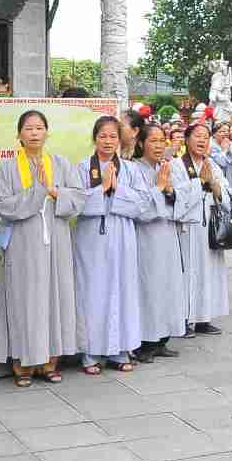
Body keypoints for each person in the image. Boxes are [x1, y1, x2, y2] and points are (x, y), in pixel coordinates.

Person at [0, 110, 86, 386]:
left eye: (39, 128)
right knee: (24, 299)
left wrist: (55, 191)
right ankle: (22, 362)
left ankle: (49, 361)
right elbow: (4, 205)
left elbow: (78, 197)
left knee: (54, 297)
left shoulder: (59, 163)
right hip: (23, 243)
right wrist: (37, 191)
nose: (34, 133)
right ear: (19, 135)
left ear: (47, 132)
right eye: (28, 128)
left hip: (55, 241)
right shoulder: (9, 167)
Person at [72, 116, 150, 374]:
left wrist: (116, 191)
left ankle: (119, 349)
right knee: (91, 292)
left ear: (120, 140)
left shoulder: (130, 169)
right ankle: (90, 352)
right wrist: (100, 190)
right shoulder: (82, 167)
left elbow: (142, 204)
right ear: (94, 138)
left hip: (122, 237)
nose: (107, 141)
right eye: (102, 136)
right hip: (90, 240)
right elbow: (75, 204)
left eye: (113, 136)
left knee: (121, 290)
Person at [131, 123, 186, 361]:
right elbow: (139, 207)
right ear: (141, 143)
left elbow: (178, 200)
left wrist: (171, 192)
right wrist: (159, 188)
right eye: (153, 140)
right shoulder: (134, 169)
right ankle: (145, 341)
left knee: (167, 284)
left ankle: (162, 337)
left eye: (162, 140)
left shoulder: (166, 167)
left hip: (167, 234)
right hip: (147, 237)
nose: (158, 145)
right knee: (149, 286)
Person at [176, 122, 229, 335]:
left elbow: (226, 194)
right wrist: (200, 183)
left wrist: (214, 186)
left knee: (209, 272)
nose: (201, 141)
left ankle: (204, 317)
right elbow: (178, 197)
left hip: (210, 226)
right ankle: (184, 318)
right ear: (187, 140)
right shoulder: (176, 166)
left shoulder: (213, 165)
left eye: (205, 137)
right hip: (188, 228)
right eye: (197, 136)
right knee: (188, 272)